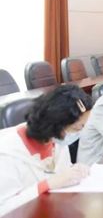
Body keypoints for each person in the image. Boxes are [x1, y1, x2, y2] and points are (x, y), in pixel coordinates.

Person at [0, 85, 93, 215]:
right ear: (56, 124)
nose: (78, 134)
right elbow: (4, 207)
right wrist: (46, 185)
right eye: (76, 129)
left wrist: (75, 171)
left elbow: (61, 176)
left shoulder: (57, 141)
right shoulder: (6, 153)